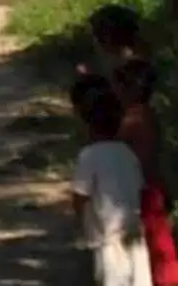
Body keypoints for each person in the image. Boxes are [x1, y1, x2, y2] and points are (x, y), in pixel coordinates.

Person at [71, 89, 151, 286]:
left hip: (106, 237)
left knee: (111, 279)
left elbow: (80, 195)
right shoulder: (127, 153)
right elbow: (139, 188)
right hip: (133, 233)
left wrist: (81, 220)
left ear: (88, 125)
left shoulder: (89, 156)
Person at [112, 60, 179, 285]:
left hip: (144, 189)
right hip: (151, 186)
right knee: (158, 244)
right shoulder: (146, 114)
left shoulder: (134, 118)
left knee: (156, 246)